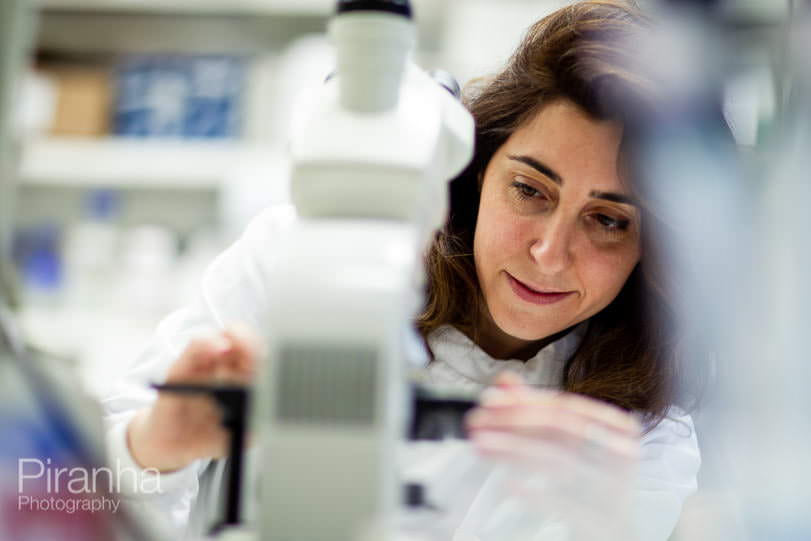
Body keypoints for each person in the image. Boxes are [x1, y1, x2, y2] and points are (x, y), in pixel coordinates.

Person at [103, 2, 701, 540]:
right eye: (528, 189)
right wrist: (156, 446)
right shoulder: (301, 256)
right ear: (476, 173)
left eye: (608, 221)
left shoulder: (644, 438)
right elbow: (49, 492)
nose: (549, 253)